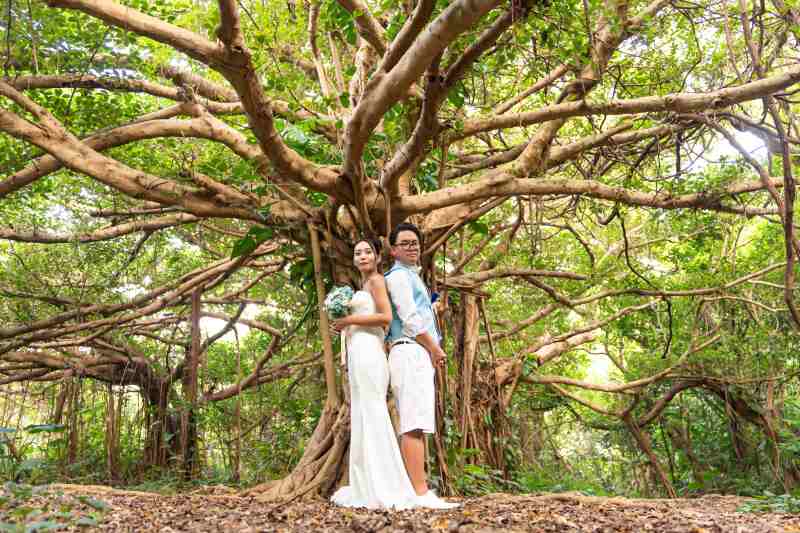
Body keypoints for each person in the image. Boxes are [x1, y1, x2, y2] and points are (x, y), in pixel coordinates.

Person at [328, 238, 420, 510]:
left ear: (378, 257)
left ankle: (385, 484)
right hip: (358, 353)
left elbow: (386, 317)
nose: (363, 256)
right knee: (363, 413)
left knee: (373, 411)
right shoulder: (361, 286)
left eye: (368, 251)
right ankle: (366, 483)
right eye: (358, 253)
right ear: (354, 259)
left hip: (370, 353)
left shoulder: (378, 281)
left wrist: (349, 320)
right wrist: (344, 325)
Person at [385, 223, 459, 509]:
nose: (412, 246)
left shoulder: (412, 277)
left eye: (415, 242)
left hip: (416, 353)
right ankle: (418, 492)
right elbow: (409, 318)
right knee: (413, 424)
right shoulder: (398, 277)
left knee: (418, 422)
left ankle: (420, 488)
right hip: (410, 350)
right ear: (393, 250)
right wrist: (434, 347)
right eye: (405, 243)